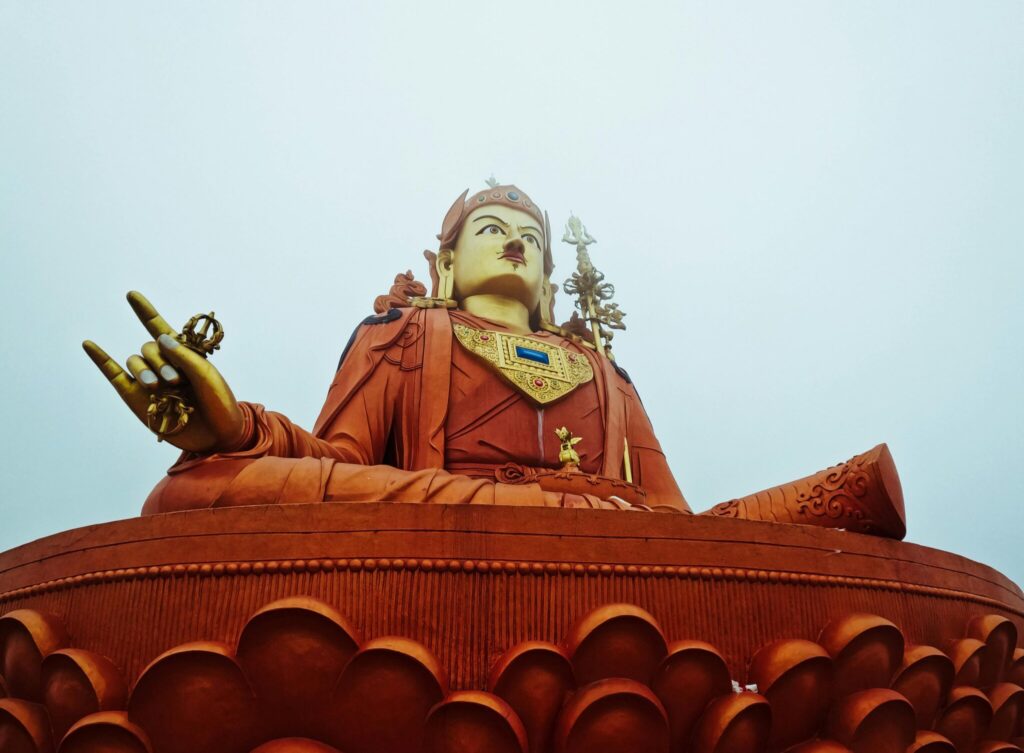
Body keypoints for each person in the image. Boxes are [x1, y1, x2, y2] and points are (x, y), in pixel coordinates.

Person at [84, 184, 691, 515]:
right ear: (447, 263)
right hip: (444, 530)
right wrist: (237, 432)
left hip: (607, 539)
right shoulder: (402, 334)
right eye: (494, 230)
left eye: (531, 239)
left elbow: (672, 516)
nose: (515, 244)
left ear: (548, 284)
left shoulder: (602, 372)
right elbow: (342, 463)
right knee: (185, 493)